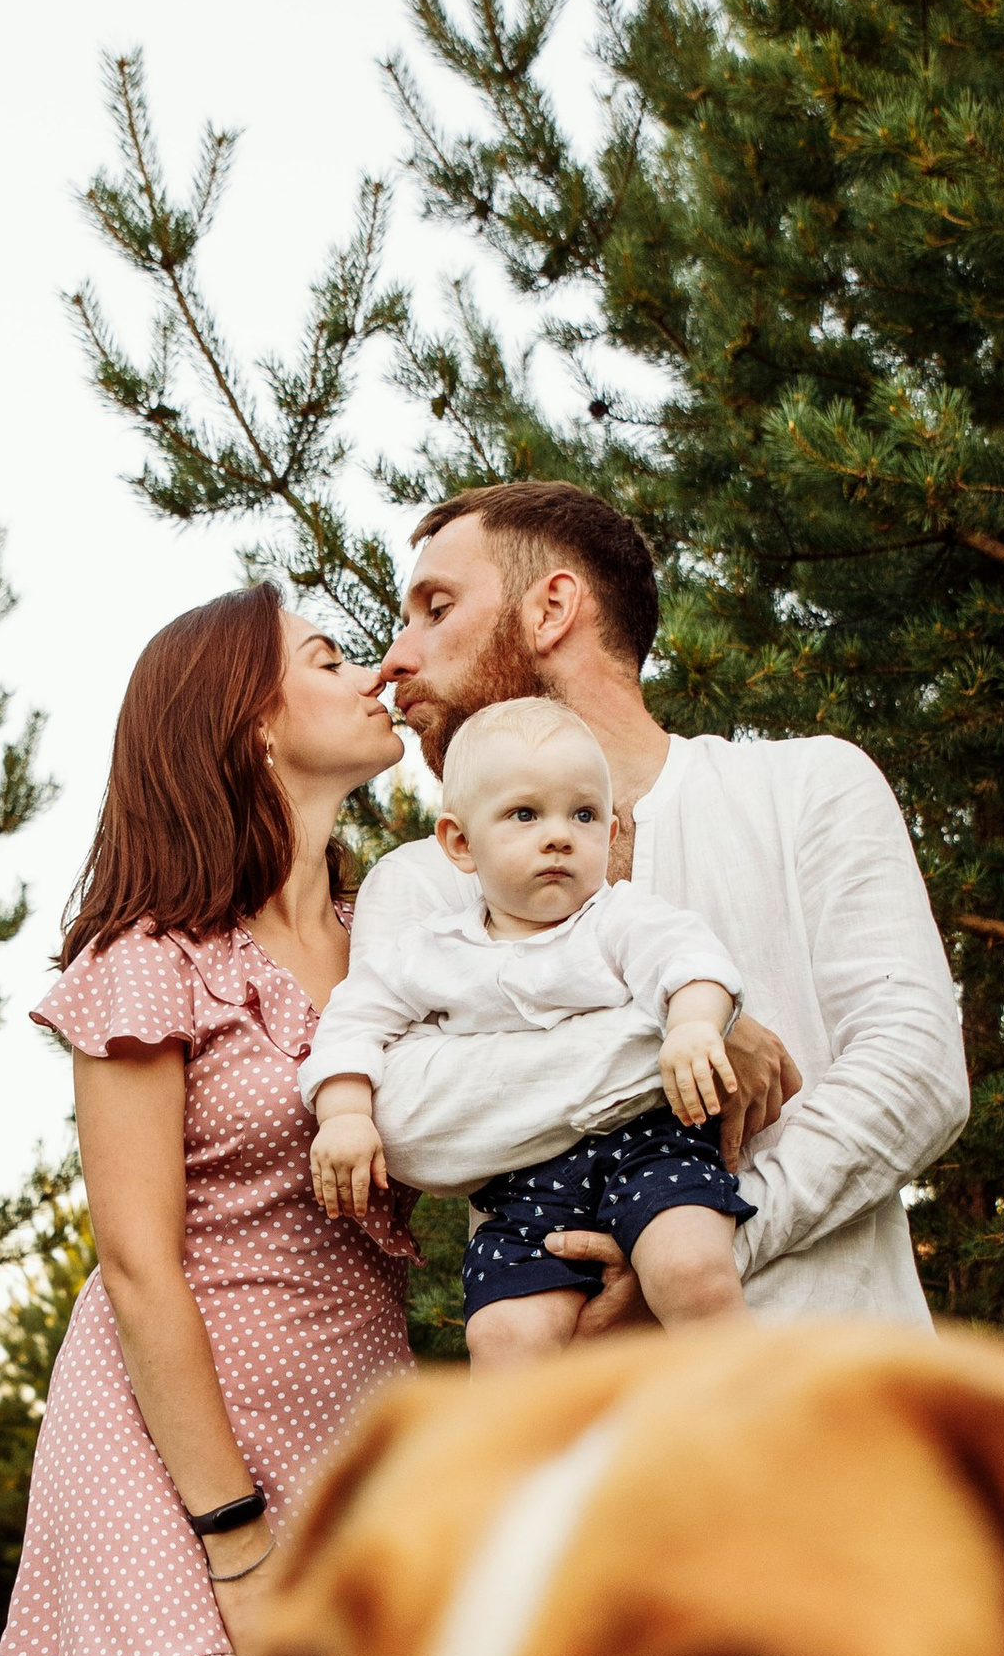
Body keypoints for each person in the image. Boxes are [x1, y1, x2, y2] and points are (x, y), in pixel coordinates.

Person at [0, 584, 410, 1656]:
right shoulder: (154, 957)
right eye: (334, 659)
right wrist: (235, 1541)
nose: (379, 674)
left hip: (353, 1417)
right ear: (254, 720)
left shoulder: (402, 933)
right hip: (167, 1439)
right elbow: (141, 1270)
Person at [359, 482, 969, 1329]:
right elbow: (406, 1121)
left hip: (848, 1410)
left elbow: (917, 1069)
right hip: (594, 1441)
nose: (393, 658)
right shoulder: (422, 880)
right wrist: (670, 1040)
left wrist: (700, 1241)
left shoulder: (809, 786)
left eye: (436, 607)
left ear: (553, 609)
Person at [302, 695, 753, 1364]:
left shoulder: (617, 918)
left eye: (583, 814)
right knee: (502, 1335)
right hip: (520, 1182)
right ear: (460, 842)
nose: (559, 835)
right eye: (524, 814)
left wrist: (691, 1024)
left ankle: (756, 1422)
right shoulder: (430, 949)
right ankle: (526, 1465)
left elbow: (692, 961)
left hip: (649, 1146)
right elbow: (352, 1019)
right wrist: (343, 1113)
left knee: (690, 1268)